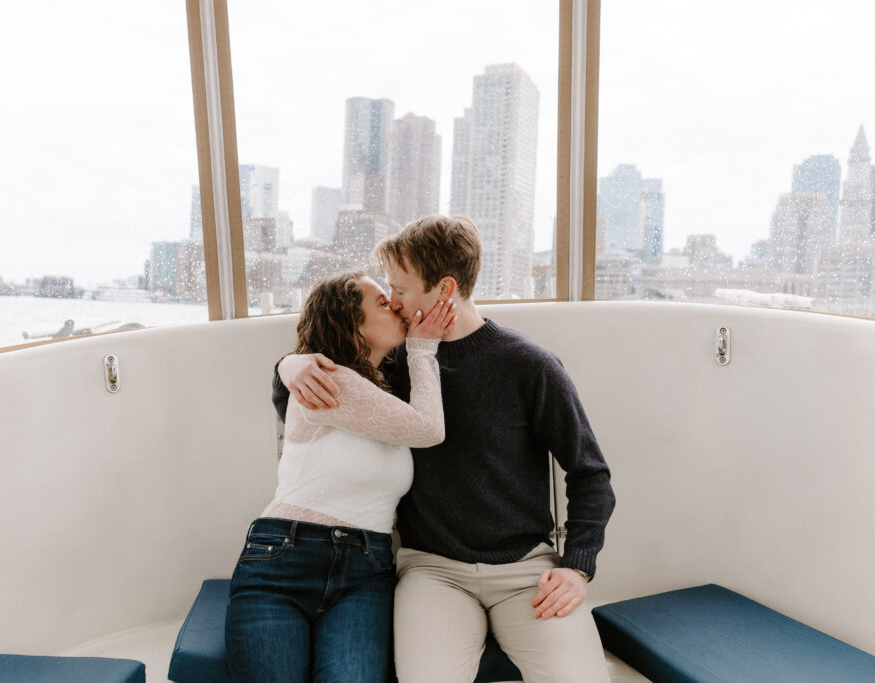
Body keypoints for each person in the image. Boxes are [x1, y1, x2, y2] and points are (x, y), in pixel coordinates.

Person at [275, 215, 615, 682]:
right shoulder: (389, 364)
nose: (392, 302)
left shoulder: (530, 366)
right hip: (432, 572)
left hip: (526, 571)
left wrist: (578, 567)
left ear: (445, 289)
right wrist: (288, 366)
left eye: (401, 289)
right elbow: (305, 401)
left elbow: (589, 472)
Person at [225, 270, 456, 683]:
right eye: (382, 303)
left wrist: (288, 363)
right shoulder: (329, 379)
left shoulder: (380, 393)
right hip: (285, 557)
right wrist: (423, 348)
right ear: (350, 324)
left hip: (365, 571)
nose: (397, 307)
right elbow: (429, 429)